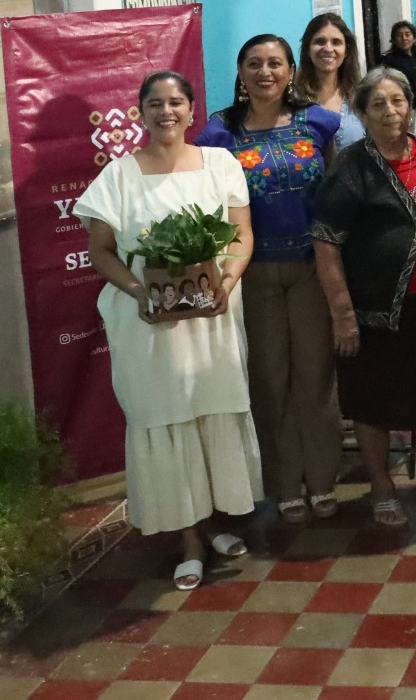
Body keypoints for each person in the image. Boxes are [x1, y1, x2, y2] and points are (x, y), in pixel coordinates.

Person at [76, 71, 260, 590]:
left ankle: (215, 522)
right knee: (167, 416)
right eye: (154, 103)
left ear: (192, 109)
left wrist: (228, 280)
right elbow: (100, 251)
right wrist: (140, 291)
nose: (166, 112)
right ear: (140, 112)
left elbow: (241, 235)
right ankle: (188, 542)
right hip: (150, 327)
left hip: (212, 318)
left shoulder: (220, 164)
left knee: (211, 410)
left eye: (176, 102)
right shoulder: (118, 175)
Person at [312, 69, 416, 527]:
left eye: (398, 101)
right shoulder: (349, 167)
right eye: (378, 104)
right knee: (373, 401)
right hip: (374, 311)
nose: (390, 111)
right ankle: (382, 486)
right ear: (362, 113)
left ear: (410, 105)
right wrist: (343, 314)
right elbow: (326, 242)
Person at [198, 35, 342, 525]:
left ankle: (322, 480)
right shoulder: (220, 132)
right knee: (268, 377)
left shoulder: (318, 122)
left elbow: (336, 190)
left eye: (275, 63)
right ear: (240, 72)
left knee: (315, 375)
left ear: (290, 71)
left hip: (312, 267)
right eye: (255, 64)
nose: (265, 72)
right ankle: (284, 484)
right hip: (252, 272)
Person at [295, 13, 365, 152]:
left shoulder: (361, 96)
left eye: (336, 42)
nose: (328, 49)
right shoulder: (293, 99)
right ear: (308, 49)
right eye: (320, 42)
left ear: (346, 51)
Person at [381, 20, 416, 94]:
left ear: (414, 38)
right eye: (399, 35)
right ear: (394, 40)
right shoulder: (387, 58)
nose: (404, 38)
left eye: (407, 34)